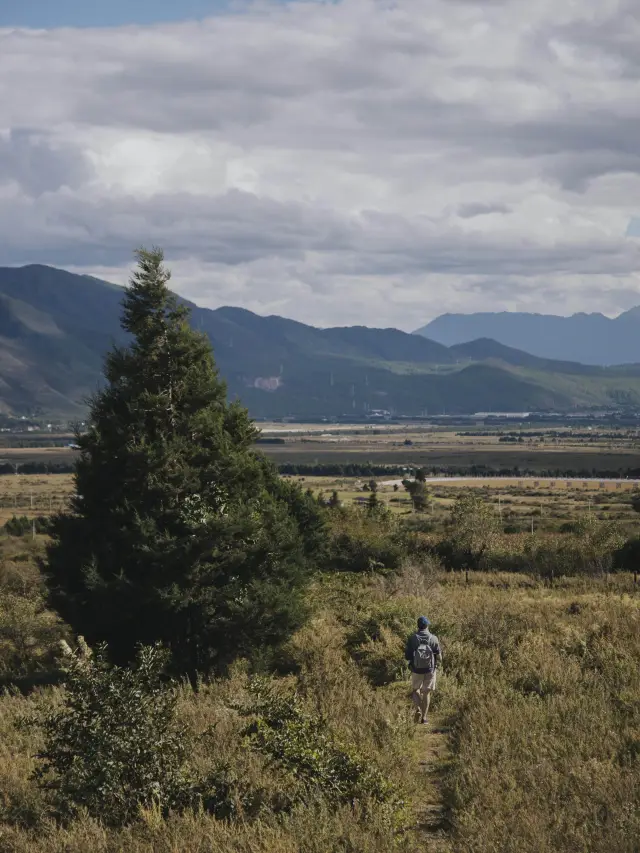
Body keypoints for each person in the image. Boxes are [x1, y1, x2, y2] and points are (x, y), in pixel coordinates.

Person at [405, 616, 442, 725]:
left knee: (416, 690)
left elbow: (407, 656)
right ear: (427, 626)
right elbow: (439, 657)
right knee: (426, 692)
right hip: (430, 669)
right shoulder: (434, 638)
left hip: (416, 669)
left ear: (418, 626)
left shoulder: (413, 638)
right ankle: (424, 718)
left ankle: (418, 710)